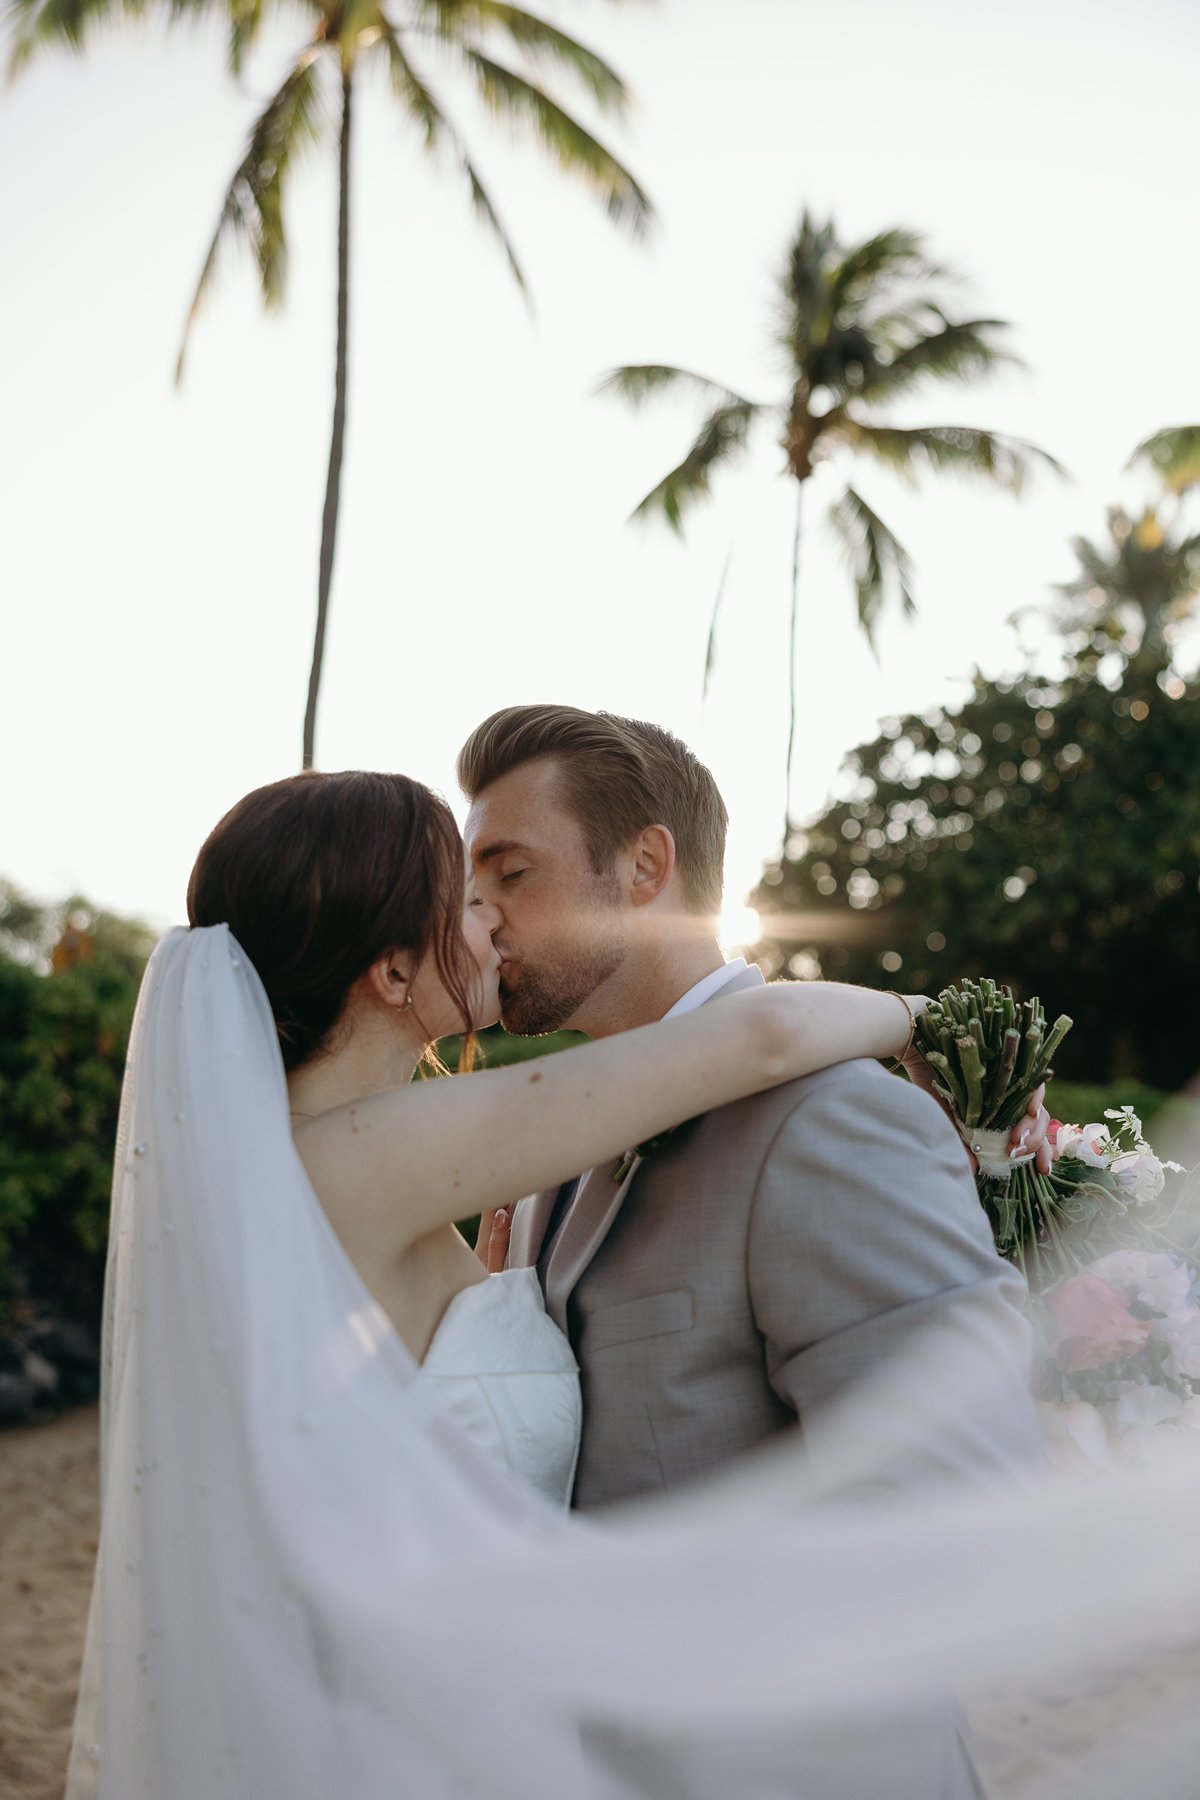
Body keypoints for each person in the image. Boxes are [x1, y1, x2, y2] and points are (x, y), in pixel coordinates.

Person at [69, 766, 991, 1800]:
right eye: (465, 902)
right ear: (392, 969)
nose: (491, 924)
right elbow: (765, 1033)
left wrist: (479, 1311)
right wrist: (934, 1019)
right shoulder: (367, 1153)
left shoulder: (300, 1165)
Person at [459, 705, 1046, 1795]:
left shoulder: (829, 1120)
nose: (481, 918)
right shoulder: (546, 1154)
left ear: (644, 867)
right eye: (472, 887)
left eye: (512, 874)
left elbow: (964, 1512)